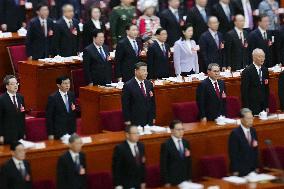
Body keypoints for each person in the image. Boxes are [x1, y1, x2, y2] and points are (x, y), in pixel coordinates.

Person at [122, 62, 156, 126]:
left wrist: (153, 117)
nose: (146, 73)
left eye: (146, 70)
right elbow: (125, 105)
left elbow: (152, 102)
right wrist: (127, 120)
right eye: (143, 70)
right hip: (135, 120)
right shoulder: (128, 85)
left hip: (149, 119)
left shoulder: (149, 84)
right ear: (136, 71)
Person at [160, 120, 192, 187]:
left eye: (182, 129)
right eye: (178, 129)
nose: (181, 131)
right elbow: (164, 165)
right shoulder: (166, 145)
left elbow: (188, 161)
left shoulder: (186, 143)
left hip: (185, 179)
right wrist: (167, 182)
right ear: (172, 130)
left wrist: (189, 178)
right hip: (172, 180)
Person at [228, 108, 259, 176]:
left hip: (252, 169)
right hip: (240, 170)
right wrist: (235, 170)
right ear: (241, 119)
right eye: (248, 118)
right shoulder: (235, 133)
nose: (251, 120)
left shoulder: (253, 131)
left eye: (251, 118)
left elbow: (255, 150)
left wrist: (256, 166)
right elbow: (233, 154)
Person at [241, 48, 269, 115]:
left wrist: (267, 105)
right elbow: (244, 92)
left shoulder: (265, 70)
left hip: (263, 106)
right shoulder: (247, 71)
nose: (262, 59)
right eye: (260, 57)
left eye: (263, 56)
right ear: (254, 57)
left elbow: (266, 89)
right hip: (252, 106)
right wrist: (247, 109)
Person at [0, 75, 25, 145]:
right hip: (7, 135)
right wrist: (1, 135)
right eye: (12, 84)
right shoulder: (1, 99)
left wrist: (23, 132)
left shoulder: (20, 97)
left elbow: (22, 115)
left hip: (19, 134)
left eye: (16, 83)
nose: (15, 86)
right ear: (7, 86)